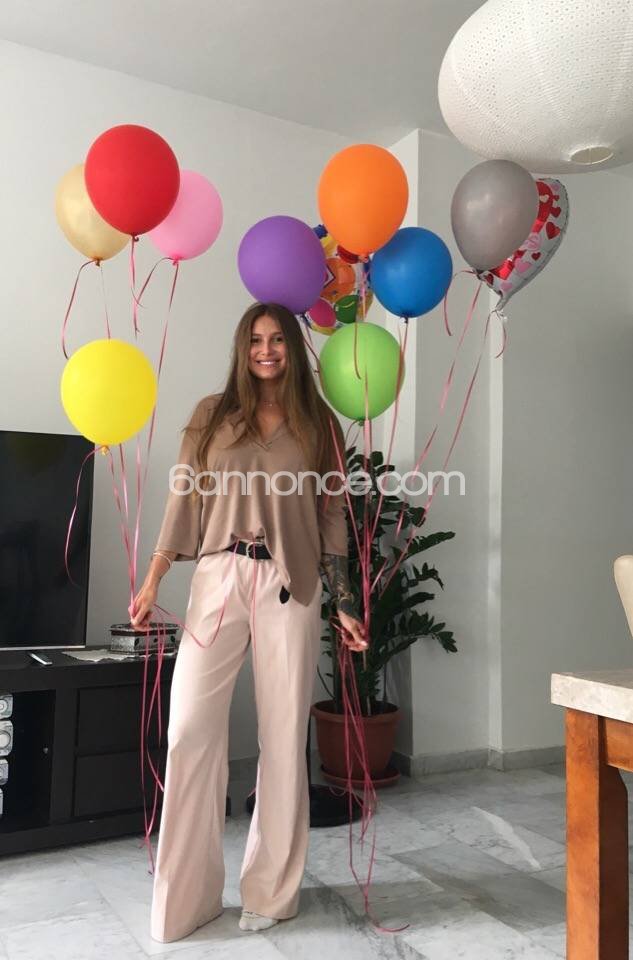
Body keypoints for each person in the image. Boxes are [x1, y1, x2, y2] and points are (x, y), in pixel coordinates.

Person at [130, 302, 367, 943]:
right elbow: (183, 499)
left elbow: (332, 516)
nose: (267, 350)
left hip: (292, 586)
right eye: (256, 340)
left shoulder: (319, 423)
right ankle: (188, 899)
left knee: (284, 737)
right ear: (243, 347)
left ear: (293, 348)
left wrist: (345, 600)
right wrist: (153, 578)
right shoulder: (212, 416)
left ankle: (272, 893)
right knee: (189, 730)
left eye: (278, 340)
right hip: (219, 577)